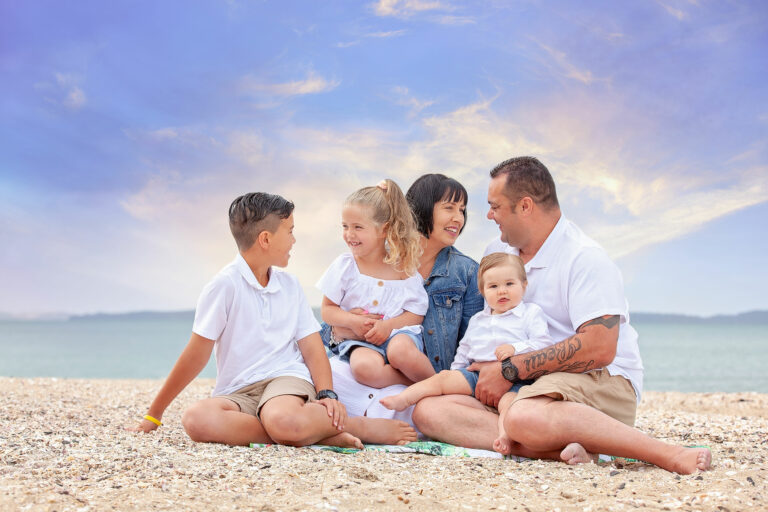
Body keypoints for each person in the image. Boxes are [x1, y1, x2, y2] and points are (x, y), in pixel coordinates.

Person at [412, 157, 712, 474]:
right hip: (528, 388)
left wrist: (510, 370)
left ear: (525, 206)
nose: (488, 215)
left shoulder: (584, 258)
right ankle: (561, 452)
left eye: (496, 206)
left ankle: (667, 454)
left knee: (523, 416)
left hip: (601, 381)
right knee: (428, 411)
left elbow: (599, 347)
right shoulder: (495, 254)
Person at [129, 192, 416, 447]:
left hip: (286, 380)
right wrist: (154, 414)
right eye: (289, 231)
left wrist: (327, 393)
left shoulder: (289, 286)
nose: (294, 239)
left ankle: (356, 426)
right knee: (196, 419)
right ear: (265, 239)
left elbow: (312, 347)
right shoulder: (224, 286)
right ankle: (315, 432)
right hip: (238, 390)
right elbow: (195, 355)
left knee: (281, 418)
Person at [380, 252, 552, 455]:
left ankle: (505, 435)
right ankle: (405, 399)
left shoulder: (530, 313)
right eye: (493, 287)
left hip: (517, 379)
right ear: (482, 291)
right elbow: (465, 348)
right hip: (476, 375)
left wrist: (516, 349)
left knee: (509, 406)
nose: (502, 291)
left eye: (509, 284)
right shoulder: (479, 319)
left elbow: (544, 344)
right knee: (443, 379)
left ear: (524, 285)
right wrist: (455, 372)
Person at [317, 179, 435, 388]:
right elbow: (327, 310)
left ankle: (436, 384)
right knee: (364, 368)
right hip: (359, 340)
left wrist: (388, 326)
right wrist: (353, 322)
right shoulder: (345, 266)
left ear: (384, 229)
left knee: (400, 352)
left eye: (358, 227)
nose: (349, 234)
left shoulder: (402, 268)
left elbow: (416, 313)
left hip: (398, 334)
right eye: (345, 226)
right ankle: (407, 380)